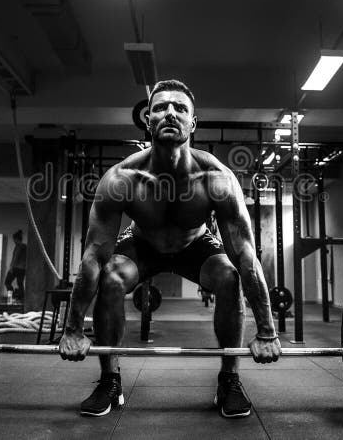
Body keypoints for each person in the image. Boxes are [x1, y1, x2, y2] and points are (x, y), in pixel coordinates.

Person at [59, 79, 281, 418]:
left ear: (193, 123)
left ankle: (229, 381)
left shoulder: (215, 178)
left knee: (229, 276)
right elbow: (93, 255)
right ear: (147, 120)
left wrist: (267, 329)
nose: (170, 113)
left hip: (195, 244)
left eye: (180, 108)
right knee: (111, 276)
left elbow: (245, 253)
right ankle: (110, 380)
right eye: (160, 107)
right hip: (142, 244)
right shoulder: (122, 178)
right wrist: (73, 328)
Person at [4, 230, 27, 300]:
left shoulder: (19, 246)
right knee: (20, 283)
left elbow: (16, 257)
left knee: (7, 282)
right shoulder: (25, 246)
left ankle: (13, 296)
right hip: (22, 268)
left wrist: (11, 267)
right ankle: (21, 297)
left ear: (16, 239)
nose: (13, 241)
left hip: (16, 267)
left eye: (14, 239)